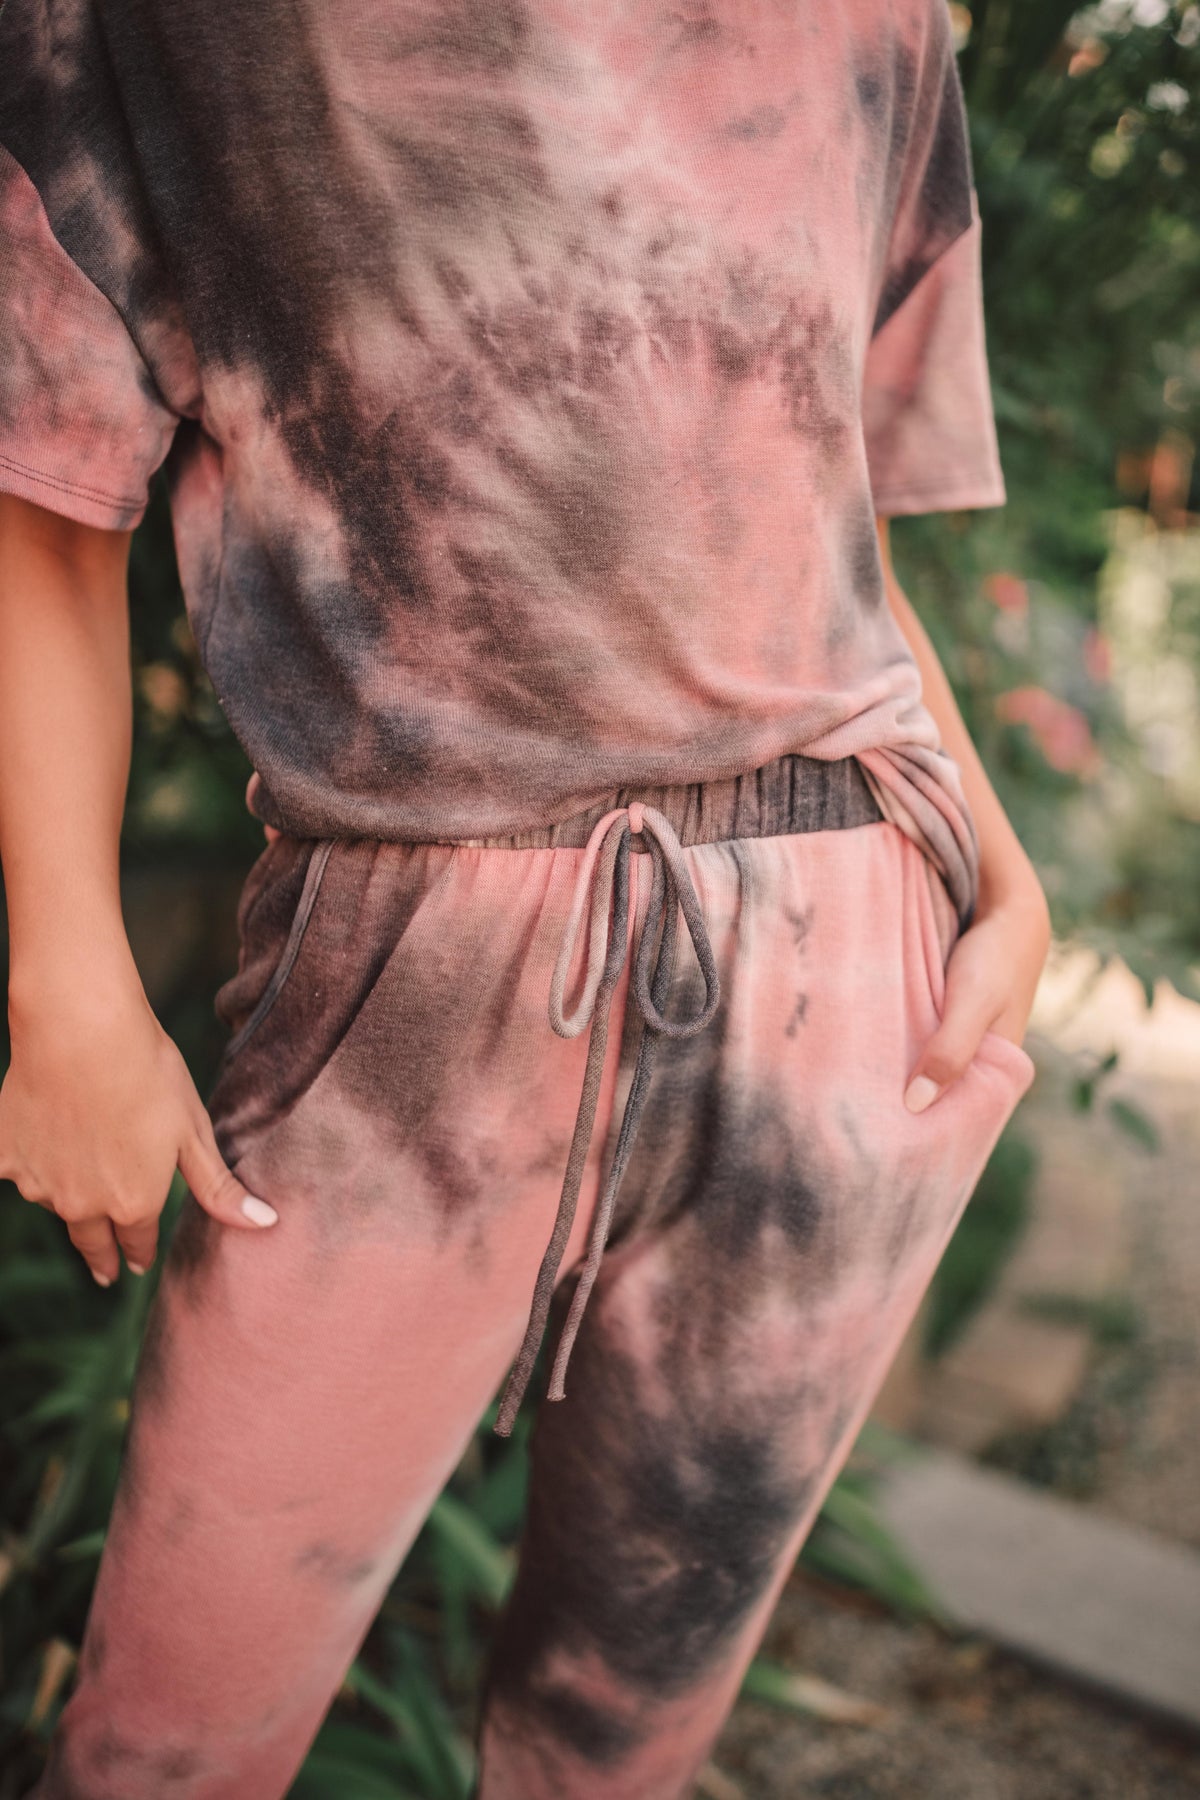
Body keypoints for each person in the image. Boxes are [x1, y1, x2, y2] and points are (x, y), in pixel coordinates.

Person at [0, 1, 1050, 1795]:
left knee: (618, 1744)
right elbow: (43, 494)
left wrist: (1005, 881)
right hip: (407, 984)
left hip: (852, 954)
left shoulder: (881, 23)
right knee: (162, 1750)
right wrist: (67, 987)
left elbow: (831, 520)